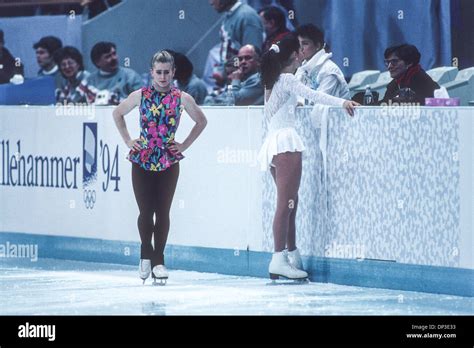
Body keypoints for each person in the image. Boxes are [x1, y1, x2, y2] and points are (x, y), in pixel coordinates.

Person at [258, 35, 358, 280]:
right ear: (295, 56)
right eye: (299, 50)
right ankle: (277, 258)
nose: (302, 52)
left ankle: (290, 253)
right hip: (285, 142)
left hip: (273, 142)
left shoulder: (272, 81)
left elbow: (290, 103)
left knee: (291, 202)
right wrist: (343, 101)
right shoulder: (288, 79)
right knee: (285, 204)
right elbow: (317, 97)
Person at [113, 51, 207, 284]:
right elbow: (118, 113)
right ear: (151, 72)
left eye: (167, 72)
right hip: (142, 158)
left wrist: (184, 143)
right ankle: (146, 254)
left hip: (168, 159)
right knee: (146, 211)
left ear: (173, 72)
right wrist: (127, 140)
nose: (163, 77)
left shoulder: (182, 98)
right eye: (159, 72)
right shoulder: (140, 95)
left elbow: (201, 121)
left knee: (162, 211)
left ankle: (159, 261)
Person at [208, 0, 263, 88]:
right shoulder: (229, 16)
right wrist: (223, 72)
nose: (210, 2)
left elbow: (252, 58)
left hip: (245, 85)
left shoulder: (247, 17)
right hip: (232, 81)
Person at [295, 24, 350, 100]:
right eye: (298, 44)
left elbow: (320, 104)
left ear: (317, 46)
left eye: (305, 43)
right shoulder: (301, 69)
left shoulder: (329, 71)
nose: (300, 48)